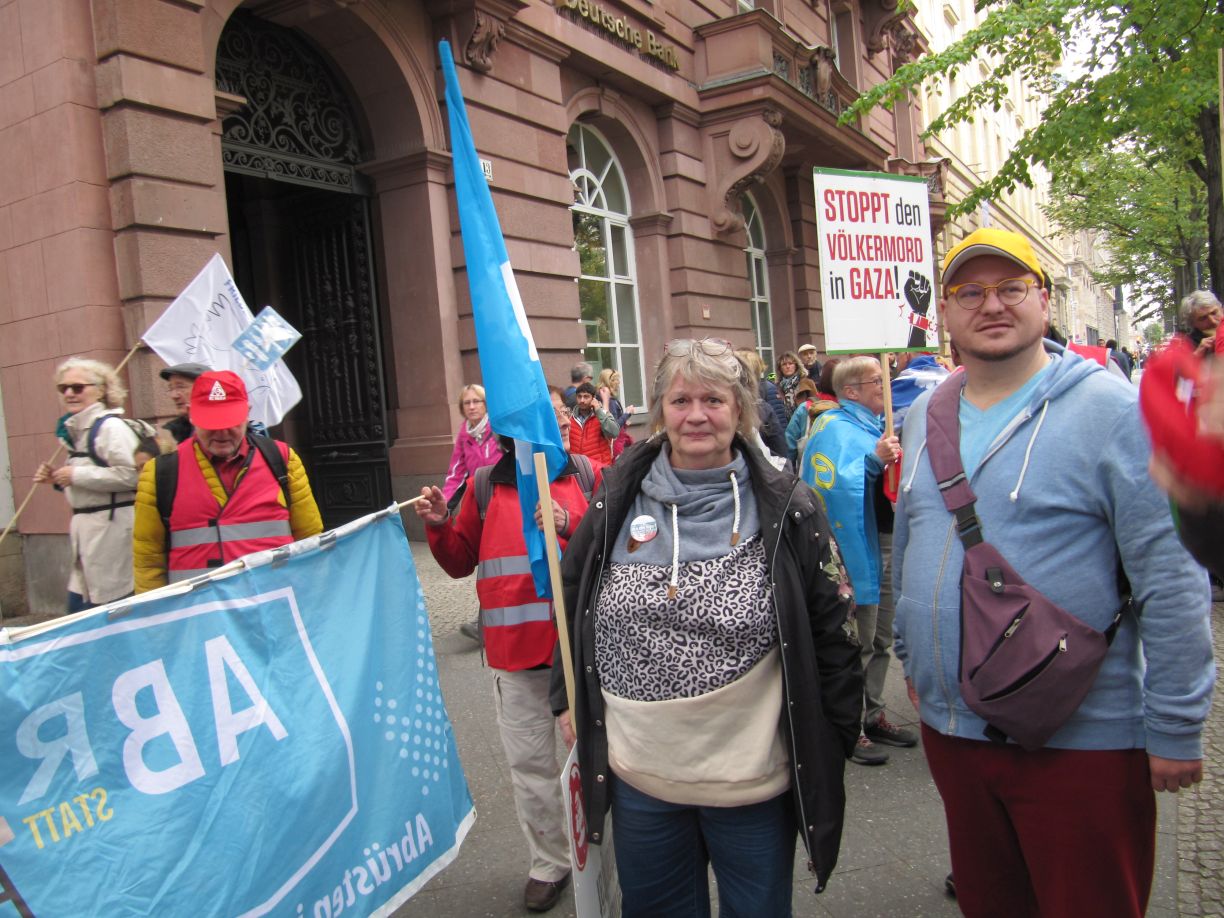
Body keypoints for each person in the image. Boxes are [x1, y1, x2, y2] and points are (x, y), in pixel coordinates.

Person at [893, 227, 1214, 917]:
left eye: (1012, 288)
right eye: (970, 292)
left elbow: (1169, 571)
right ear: (945, 313)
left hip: (1082, 737)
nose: (992, 305)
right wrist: (908, 652)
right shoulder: (925, 413)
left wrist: (1177, 723)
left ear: (1045, 301)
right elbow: (914, 538)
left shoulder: (1109, 409)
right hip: (956, 734)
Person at [552, 338, 862, 915]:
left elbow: (835, 631)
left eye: (714, 400)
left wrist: (831, 737)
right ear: (659, 411)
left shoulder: (791, 506)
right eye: (681, 400)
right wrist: (565, 699)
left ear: (742, 410)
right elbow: (574, 596)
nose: (697, 415)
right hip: (641, 774)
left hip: (751, 781)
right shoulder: (615, 497)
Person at [414, 387, 592, 913]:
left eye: (559, 419)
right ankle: (550, 862)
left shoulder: (586, 475)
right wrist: (440, 522)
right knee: (531, 766)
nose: (554, 430)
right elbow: (458, 561)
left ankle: (607, 851)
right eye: (543, 422)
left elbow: (621, 548)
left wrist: (571, 523)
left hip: (581, 654)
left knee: (599, 761)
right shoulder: (486, 485)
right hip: (517, 658)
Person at [800, 356, 910, 766]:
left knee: (881, 639)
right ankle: (851, 726)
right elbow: (831, 486)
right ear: (851, 391)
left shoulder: (878, 426)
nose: (885, 386)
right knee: (857, 642)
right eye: (876, 381)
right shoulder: (833, 427)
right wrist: (873, 460)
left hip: (885, 542)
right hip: (856, 549)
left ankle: (875, 712)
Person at [132, 370, 322, 591]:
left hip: (274, 604)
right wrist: (155, 619)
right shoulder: (158, 473)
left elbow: (310, 541)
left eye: (230, 422)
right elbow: (148, 558)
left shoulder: (283, 460)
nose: (222, 433)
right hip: (201, 613)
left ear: (247, 413)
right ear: (192, 415)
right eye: (211, 423)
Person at [33, 358, 145, 612]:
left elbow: (135, 475)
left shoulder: (110, 428)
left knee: (111, 612)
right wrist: (57, 479)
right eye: (63, 388)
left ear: (101, 389)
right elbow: (90, 479)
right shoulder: (77, 431)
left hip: (113, 536)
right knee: (81, 612)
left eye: (78, 387)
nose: (70, 393)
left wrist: (75, 476)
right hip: (86, 539)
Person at [440, 383, 505, 642]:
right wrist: (443, 504)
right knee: (487, 564)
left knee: (499, 562)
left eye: (476, 401)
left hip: (504, 502)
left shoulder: (497, 428)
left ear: (485, 404)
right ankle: (487, 620)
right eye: (467, 403)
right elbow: (456, 472)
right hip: (480, 507)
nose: (472, 406)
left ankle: (488, 621)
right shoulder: (464, 434)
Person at [890, 351, 950, 435]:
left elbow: (888, 430)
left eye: (898, 358)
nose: (897, 364)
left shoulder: (899, 385)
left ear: (907, 355)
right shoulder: (952, 379)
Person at [569, 381, 620, 470]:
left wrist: (598, 411)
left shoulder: (603, 414)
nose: (582, 400)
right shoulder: (570, 418)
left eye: (586, 397)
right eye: (579, 396)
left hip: (600, 470)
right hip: (578, 471)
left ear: (593, 398)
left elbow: (614, 432)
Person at [159, 362, 210, 444]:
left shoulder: (225, 430)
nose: (174, 396)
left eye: (181, 387)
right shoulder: (170, 432)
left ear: (205, 389)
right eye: (171, 388)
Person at [596, 367, 636, 457]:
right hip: (615, 447)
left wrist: (624, 422)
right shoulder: (610, 401)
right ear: (610, 382)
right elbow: (614, 427)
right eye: (616, 380)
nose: (618, 383)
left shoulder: (599, 398)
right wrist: (627, 413)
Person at [1180, 290, 1221, 358]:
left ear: (1221, 309)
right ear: (1193, 324)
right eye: (1203, 318)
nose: (1212, 321)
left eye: (1214, 313)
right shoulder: (1187, 344)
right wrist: (1196, 355)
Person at [775, 350, 807, 415]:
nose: (788, 366)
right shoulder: (777, 387)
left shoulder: (806, 382)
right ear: (780, 368)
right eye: (784, 364)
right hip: (785, 422)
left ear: (796, 366)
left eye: (790, 363)